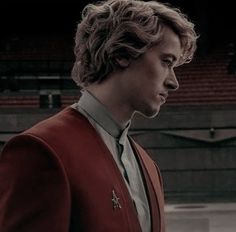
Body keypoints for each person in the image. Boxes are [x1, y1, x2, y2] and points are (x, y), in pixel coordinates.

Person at [0, 0, 198, 231]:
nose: (174, 82)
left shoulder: (148, 165)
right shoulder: (41, 150)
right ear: (123, 53)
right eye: (166, 62)